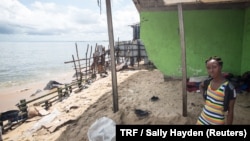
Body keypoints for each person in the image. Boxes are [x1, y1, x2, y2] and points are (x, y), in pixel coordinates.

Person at [196, 56, 237, 125]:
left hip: (216, 122)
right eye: (208, 68)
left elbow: (230, 112)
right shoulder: (208, 82)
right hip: (203, 118)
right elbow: (201, 86)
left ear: (220, 67)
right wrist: (204, 96)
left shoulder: (229, 88)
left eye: (214, 67)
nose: (211, 70)